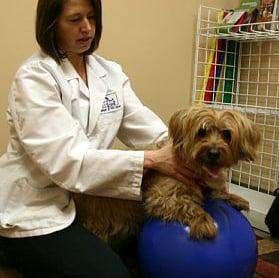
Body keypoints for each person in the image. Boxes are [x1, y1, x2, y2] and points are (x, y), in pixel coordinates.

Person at [0, 0, 196, 277]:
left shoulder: (110, 73)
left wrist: (188, 154)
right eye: (75, 19)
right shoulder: (34, 78)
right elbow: (69, 161)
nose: (87, 28)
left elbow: (147, 127)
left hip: (90, 201)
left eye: (92, 17)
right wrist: (153, 160)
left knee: (148, 251)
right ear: (52, 23)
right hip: (39, 208)